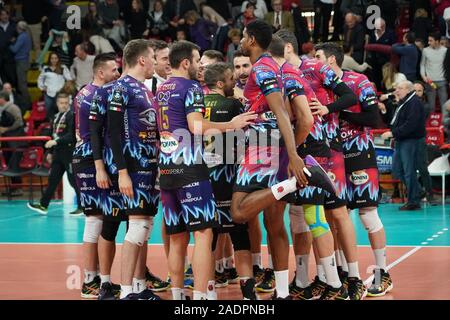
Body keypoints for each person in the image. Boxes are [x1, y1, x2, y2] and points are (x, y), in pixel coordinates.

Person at [229, 21, 335, 300]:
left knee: (239, 213)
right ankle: (284, 291)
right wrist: (291, 152)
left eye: (243, 36)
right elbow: (301, 117)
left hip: (263, 149)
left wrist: (295, 156)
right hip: (272, 149)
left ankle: (293, 183)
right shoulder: (279, 69)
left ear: (252, 40)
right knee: (273, 225)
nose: (240, 40)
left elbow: (282, 114)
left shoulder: (263, 68)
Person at [155, 40, 256, 300]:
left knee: (177, 236)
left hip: (166, 169)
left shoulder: (162, 88)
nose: (201, 66)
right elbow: (196, 127)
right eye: (198, 59)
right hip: (190, 168)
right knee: (203, 233)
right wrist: (231, 125)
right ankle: (201, 298)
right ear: (186, 62)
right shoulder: (190, 88)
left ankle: (178, 296)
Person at [315, 42, 393, 298]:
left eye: (318, 57)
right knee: (337, 219)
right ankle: (344, 276)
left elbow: (373, 119)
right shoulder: (320, 85)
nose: (313, 61)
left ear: (331, 61)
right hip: (333, 156)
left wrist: (338, 114)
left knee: (368, 215)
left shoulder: (358, 81)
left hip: (359, 152)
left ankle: (382, 274)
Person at [106, 39, 162, 300]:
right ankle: (126, 291)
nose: (154, 62)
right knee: (137, 226)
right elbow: (113, 134)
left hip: (150, 167)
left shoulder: (145, 89)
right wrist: (122, 172)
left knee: (146, 226)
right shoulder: (120, 88)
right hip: (134, 166)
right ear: (142, 59)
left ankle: (139, 287)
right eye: (152, 57)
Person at [203, 61, 257, 299]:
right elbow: (249, 133)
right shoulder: (233, 104)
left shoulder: (196, 105)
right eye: (230, 79)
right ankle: (248, 293)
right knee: (239, 232)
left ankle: (208, 292)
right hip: (229, 175)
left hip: (203, 177)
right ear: (219, 83)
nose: (234, 82)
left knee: (208, 235)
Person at [71, 53, 120, 299]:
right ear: (100, 72)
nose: (117, 73)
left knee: (98, 218)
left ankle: (99, 277)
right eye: (113, 69)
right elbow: (93, 133)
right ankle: (90, 279)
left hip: (89, 157)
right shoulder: (95, 95)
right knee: (94, 218)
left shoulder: (84, 92)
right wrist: (100, 166)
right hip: (90, 158)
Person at [27, 93, 81, 215]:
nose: (64, 105)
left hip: (69, 153)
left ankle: (83, 207)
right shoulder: (55, 117)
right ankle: (43, 205)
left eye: (66, 103)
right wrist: (51, 152)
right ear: (57, 104)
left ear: (69, 103)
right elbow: (53, 134)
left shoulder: (72, 116)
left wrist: (55, 142)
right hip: (58, 153)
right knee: (53, 180)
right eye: (61, 103)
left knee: (73, 181)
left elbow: (71, 136)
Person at [381, 81, 426, 210]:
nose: (397, 91)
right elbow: (395, 120)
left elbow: (411, 125)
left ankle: (413, 201)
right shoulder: (404, 102)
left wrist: (392, 132)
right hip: (401, 140)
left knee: (408, 171)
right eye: (397, 88)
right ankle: (417, 191)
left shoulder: (414, 103)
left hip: (410, 140)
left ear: (408, 90)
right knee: (397, 170)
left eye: (400, 88)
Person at [0, 90, 24, 196]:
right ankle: (12, 188)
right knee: (9, 164)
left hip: (15, 141)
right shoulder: (2, 109)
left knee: (14, 164)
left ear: (2, 99)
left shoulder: (13, 108)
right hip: (7, 141)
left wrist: (6, 129)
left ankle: (18, 188)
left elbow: (19, 122)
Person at [38, 52, 72, 120]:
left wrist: (65, 88)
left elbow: (69, 79)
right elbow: (40, 79)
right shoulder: (45, 68)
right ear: (49, 59)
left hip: (60, 94)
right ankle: (51, 125)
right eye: (52, 58)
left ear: (58, 59)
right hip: (48, 94)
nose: (54, 60)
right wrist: (42, 87)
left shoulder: (63, 68)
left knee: (61, 111)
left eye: (55, 58)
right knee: (49, 111)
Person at [420, 32, 448, 112]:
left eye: (431, 41)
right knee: (431, 106)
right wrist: (423, 76)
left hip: (442, 81)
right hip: (430, 81)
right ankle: (430, 123)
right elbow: (422, 65)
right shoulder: (425, 50)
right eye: (428, 40)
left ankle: (444, 124)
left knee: (444, 105)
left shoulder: (445, 51)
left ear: (437, 41)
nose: (428, 42)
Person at [9, 21, 32, 110]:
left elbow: (14, 50)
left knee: (22, 85)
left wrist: (10, 43)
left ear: (19, 28)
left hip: (21, 62)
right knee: (23, 83)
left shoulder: (22, 37)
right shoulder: (27, 36)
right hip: (25, 61)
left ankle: (27, 104)